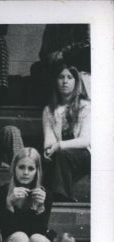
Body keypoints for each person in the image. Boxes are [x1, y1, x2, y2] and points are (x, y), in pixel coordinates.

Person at [0, 148, 52, 242]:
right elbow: (5, 231)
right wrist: (9, 205)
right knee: (20, 238)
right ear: (14, 168)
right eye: (21, 167)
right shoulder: (2, 192)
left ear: (37, 171)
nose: (25, 172)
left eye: (31, 169)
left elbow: (39, 232)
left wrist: (40, 208)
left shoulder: (43, 194)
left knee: (38, 239)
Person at [42, 63, 91, 202]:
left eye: (69, 77)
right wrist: (48, 150)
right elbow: (49, 138)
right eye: (61, 77)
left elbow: (85, 140)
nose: (65, 81)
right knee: (45, 159)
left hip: (84, 154)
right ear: (56, 81)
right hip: (61, 155)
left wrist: (59, 145)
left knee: (62, 154)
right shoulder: (49, 110)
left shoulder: (86, 106)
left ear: (76, 82)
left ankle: (61, 196)